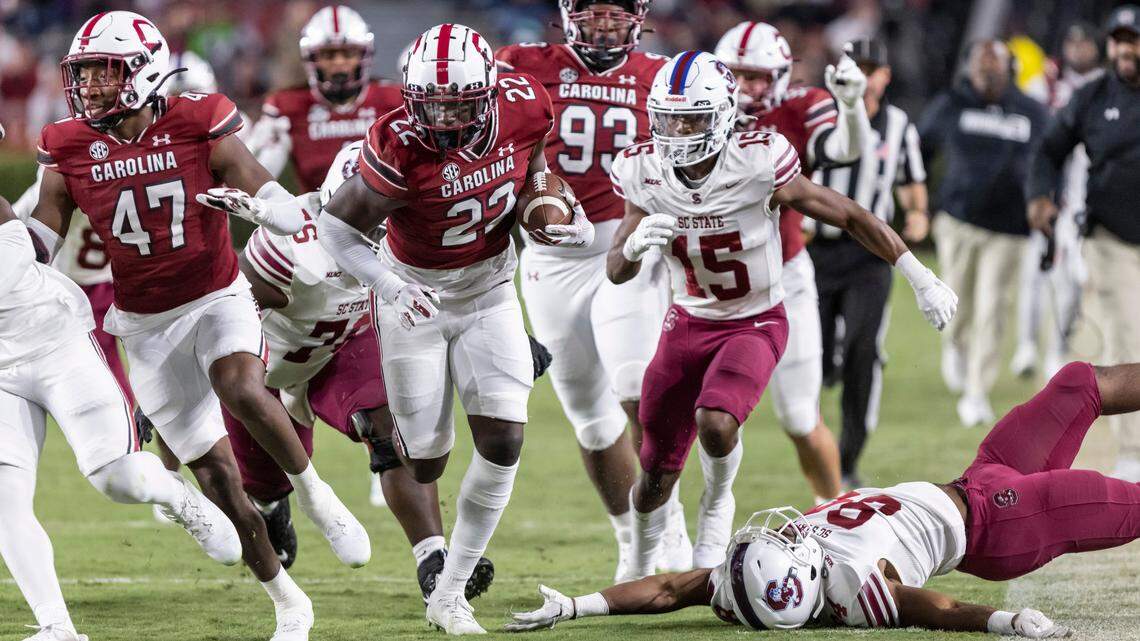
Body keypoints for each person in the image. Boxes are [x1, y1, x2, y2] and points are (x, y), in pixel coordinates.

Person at [30, 11, 369, 640]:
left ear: (145, 71)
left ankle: (318, 495)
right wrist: (18, 256)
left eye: (105, 72)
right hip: (143, 324)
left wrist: (265, 211)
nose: (91, 87)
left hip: (217, 296)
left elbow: (266, 189)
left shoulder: (196, 117)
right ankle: (288, 599)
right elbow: (44, 230)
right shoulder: (67, 142)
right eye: (84, 74)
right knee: (219, 482)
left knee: (241, 386)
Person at [605, 51, 956, 582]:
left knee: (716, 422)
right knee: (655, 466)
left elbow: (851, 214)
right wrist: (632, 248)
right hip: (688, 320)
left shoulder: (759, 159)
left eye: (692, 118)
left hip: (756, 319)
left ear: (723, 115)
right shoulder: (641, 169)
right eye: (669, 117)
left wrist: (919, 276)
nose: (677, 132)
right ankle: (636, 562)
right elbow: (615, 271)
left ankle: (717, 510)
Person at [506, 359, 1140, 639]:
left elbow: (669, 589)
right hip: (1000, 524)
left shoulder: (750, 586)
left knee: (1078, 383)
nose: (782, 531)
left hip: (978, 477)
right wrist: (1002, 621)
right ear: (806, 579)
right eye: (784, 543)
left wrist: (575, 607)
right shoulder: (851, 590)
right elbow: (935, 608)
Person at [318, 23, 592, 634]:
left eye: (457, 101)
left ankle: (450, 591)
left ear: (489, 91)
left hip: (491, 289)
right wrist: (390, 287)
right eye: (430, 101)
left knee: (503, 440)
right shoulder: (396, 141)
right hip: (412, 295)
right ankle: (384, 436)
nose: (441, 115)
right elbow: (337, 232)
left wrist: (549, 211)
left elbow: (537, 172)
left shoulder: (525, 106)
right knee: (424, 462)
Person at [230, 141, 496, 601]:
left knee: (390, 427)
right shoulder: (287, 246)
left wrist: (502, 339)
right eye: (368, 209)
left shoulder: (415, 236)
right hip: (264, 366)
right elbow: (224, 316)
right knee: (266, 480)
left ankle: (433, 560)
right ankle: (272, 504)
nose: (379, 223)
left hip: (342, 348)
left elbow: (455, 297)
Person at [495, 0, 692, 581]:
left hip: (626, 247)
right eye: (592, 13)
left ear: (636, 17)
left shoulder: (660, 75)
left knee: (635, 388)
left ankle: (670, 521)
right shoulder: (523, 64)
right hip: (552, 257)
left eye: (614, 14)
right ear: (568, 15)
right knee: (591, 419)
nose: (603, 26)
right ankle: (632, 538)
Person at [0, 188, 241, 641]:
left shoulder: (7, 228)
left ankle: (176, 496)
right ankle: (58, 627)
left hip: (57, 343)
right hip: (1, 368)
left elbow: (19, 247)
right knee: (3, 499)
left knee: (118, 479)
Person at [715, 21, 873, 502]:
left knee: (800, 417)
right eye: (739, 75)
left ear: (783, 76)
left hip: (781, 274)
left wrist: (850, 107)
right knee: (693, 414)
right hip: (703, 283)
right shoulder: (691, 109)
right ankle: (673, 529)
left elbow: (843, 149)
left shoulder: (799, 107)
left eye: (760, 77)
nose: (749, 87)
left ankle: (832, 510)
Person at [807, 39, 929, 489]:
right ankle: (827, 365)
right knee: (813, 355)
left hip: (869, 257)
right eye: (856, 65)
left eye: (872, 67)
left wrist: (917, 214)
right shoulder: (818, 114)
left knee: (864, 350)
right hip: (816, 251)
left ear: (885, 75)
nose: (864, 74)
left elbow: (911, 182)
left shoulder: (898, 125)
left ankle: (848, 457)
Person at [1027, 6, 1140, 481]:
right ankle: (1133, 452)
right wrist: (1039, 196)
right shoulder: (1092, 96)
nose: (1124, 49)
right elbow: (1049, 148)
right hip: (1111, 237)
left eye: (1132, 39)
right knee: (1129, 335)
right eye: (1117, 40)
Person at [919, 39, 1049, 427]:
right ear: (969, 69)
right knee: (955, 304)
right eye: (981, 65)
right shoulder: (952, 104)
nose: (987, 72)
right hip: (958, 221)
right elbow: (918, 149)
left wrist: (1044, 197)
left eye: (995, 65)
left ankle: (977, 392)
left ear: (1009, 69)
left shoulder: (1032, 111)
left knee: (995, 307)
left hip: (1010, 228)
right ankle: (955, 348)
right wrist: (918, 200)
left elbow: (1051, 157)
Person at [1012, 22, 1101, 381]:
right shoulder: (1046, 85)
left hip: (1082, 196)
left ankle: (1057, 350)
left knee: (1071, 279)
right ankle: (1027, 345)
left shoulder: (1103, 89)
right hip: (1049, 191)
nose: (1077, 50)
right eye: (1072, 43)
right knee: (1035, 273)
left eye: (1084, 43)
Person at [246, 5, 402, 194]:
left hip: (387, 216)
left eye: (348, 53)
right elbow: (262, 179)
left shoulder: (393, 99)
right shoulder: (287, 105)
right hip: (316, 216)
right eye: (328, 54)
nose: (338, 62)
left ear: (363, 54)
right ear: (312, 57)